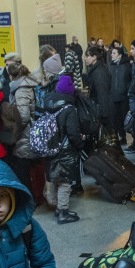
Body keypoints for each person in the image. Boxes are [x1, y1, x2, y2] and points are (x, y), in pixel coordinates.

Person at [48, 75, 84, 224]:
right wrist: (80, 146)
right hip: (65, 149)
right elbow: (73, 133)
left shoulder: (50, 104)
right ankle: (63, 211)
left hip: (51, 147)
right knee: (65, 180)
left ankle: (57, 208)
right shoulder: (69, 109)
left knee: (55, 177)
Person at [84, 45, 114, 142]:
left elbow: (102, 94)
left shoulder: (99, 72)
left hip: (102, 111)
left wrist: (103, 115)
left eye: (87, 56)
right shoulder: (95, 70)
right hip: (100, 109)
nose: (85, 59)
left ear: (94, 57)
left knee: (107, 140)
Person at [108, 45, 133, 147]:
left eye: (114, 53)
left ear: (120, 55)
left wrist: (127, 90)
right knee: (115, 119)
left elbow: (130, 80)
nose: (111, 55)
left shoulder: (127, 66)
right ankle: (119, 138)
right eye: (111, 53)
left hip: (124, 97)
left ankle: (128, 138)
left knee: (125, 118)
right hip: (113, 96)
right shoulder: (110, 66)